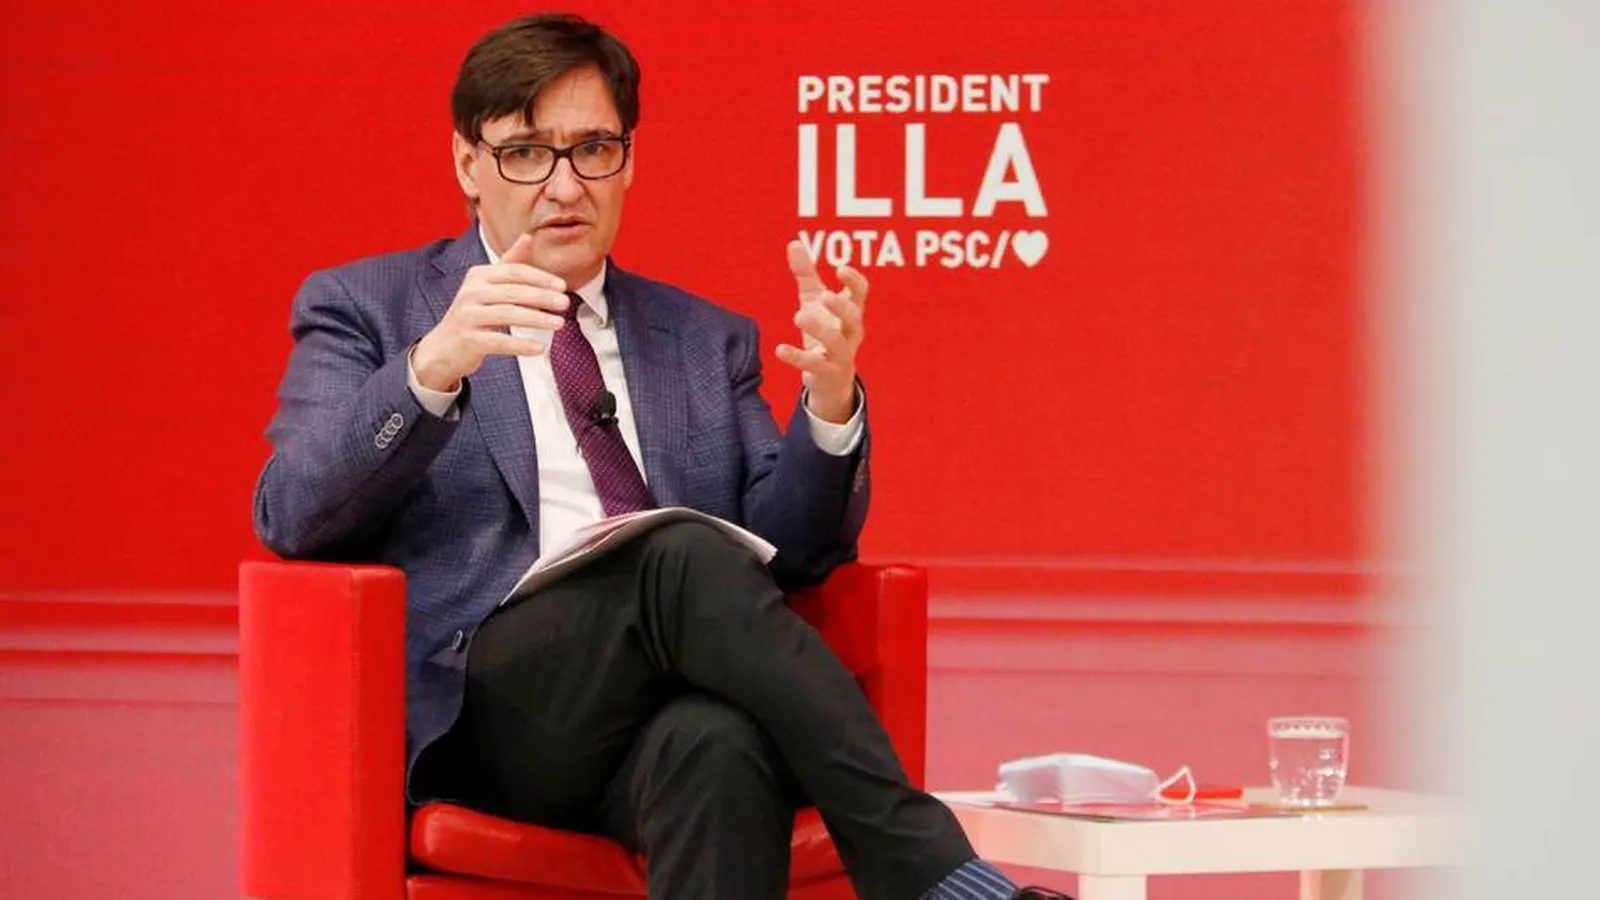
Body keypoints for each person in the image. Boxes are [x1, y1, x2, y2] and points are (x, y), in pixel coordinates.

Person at [253, 13, 1066, 900]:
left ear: (630, 161)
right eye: (526, 153)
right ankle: (932, 874)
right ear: (467, 164)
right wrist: (430, 369)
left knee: (718, 747)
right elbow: (291, 512)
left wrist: (829, 405)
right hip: (493, 715)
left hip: (656, 715)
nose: (565, 185)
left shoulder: (703, 339)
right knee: (677, 553)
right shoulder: (369, 307)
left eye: (593, 149)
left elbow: (794, 554)